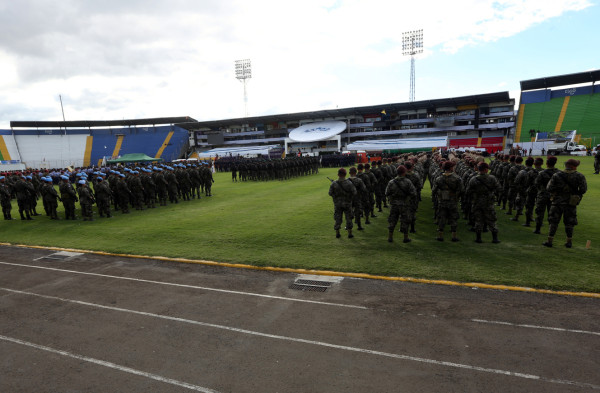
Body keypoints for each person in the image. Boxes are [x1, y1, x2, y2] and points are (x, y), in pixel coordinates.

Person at [543, 159, 587, 248]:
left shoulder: (557, 175)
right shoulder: (579, 176)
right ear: (573, 166)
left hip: (557, 201)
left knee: (553, 222)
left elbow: (549, 188)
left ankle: (550, 241)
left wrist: (558, 191)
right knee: (570, 223)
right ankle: (569, 242)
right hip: (571, 202)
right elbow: (583, 189)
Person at [466, 162, 501, 243]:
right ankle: (495, 238)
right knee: (491, 219)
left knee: (478, 220)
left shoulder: (473, 179)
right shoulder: (492, 178)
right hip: (488, 202)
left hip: (477, 202)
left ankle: (478, 238)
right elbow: (499, 189)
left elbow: (468, 191)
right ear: (486, 169)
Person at [432, 161, 463, 242]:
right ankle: (454, 236)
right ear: (450, 168)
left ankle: (440, 236)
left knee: (442, 218)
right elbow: (461, 190)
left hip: (442, 201)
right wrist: (456, 196)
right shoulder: (457, 178)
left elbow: (434, 190)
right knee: (453, 218)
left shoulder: (438, 178)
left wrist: (439, 195)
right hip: (453, 201)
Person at [385, 165, 417, 243]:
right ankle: (405, 238)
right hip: (404, 204)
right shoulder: (407, 181)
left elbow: (386, 193)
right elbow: (413, 193)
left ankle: (390, 237)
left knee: (392, 220)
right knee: (405, 220)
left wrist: (391, 198)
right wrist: (408, 198)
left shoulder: (391, 182)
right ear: (404, 172)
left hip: (394, 204)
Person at [533, 156, 559, 234]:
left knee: (540, 212)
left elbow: (537, 184)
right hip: (554, 195)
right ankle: (551, 231)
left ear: (547, 163)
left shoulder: (542, 173)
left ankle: (538, 229)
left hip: (542, 194)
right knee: (552, 213)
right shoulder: (559, 173)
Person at [328, 168, 357, 238]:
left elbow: (330, 193)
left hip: (337, 204)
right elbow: (354, 192)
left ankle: (337, 233)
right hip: (347, 204)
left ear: (338, 174)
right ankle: (350, 233)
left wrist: (336, 197)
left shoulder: (334, 183)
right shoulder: (349, 183)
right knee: (349, 218)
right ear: (345, 174)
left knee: (338, 218)